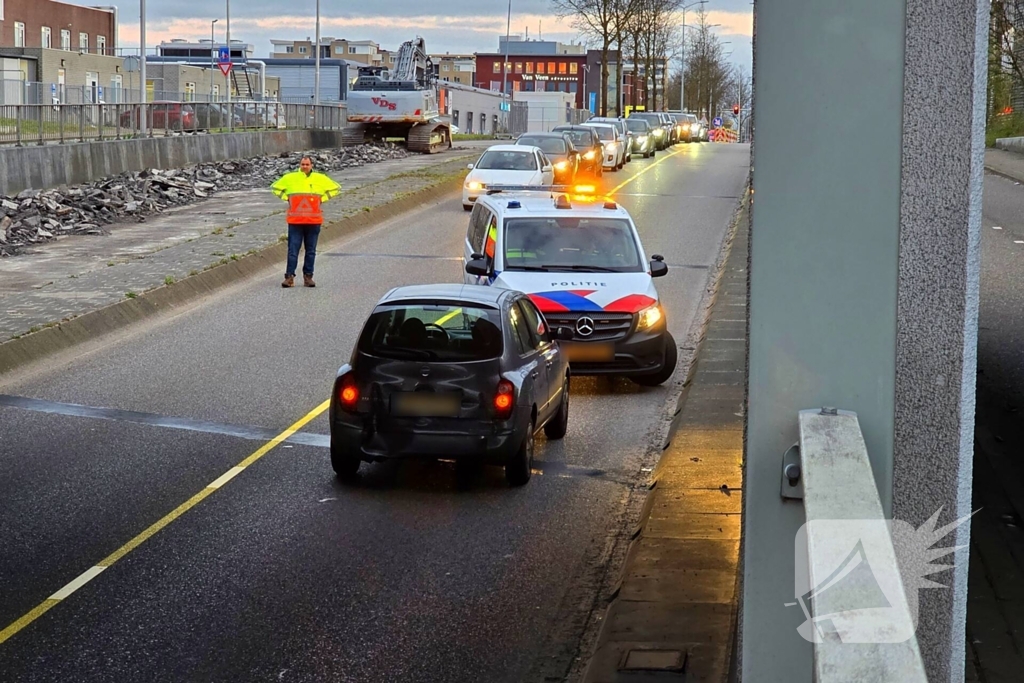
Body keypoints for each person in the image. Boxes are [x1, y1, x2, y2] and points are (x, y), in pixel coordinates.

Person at [270, 156, 341, 288]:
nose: (305, 166)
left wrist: (322, 199)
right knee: (293, 250)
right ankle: (289, 277)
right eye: (303, 164)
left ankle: (308, 277)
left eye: (307, 164)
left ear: (311, 165)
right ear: (299, 165)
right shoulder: (290, 178)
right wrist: (287, 199)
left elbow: (336, 188)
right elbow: (274, 188)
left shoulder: (320, 178)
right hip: (295, 221)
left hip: (313, 221)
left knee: (311, 250)